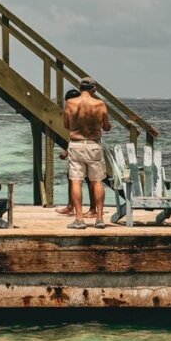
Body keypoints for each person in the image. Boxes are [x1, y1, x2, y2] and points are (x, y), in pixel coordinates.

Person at [62, 77, 111, 229]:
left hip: (76, 144)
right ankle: (100, 218)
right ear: (93, 89)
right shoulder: (100, 104)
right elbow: (107, 127)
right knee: (97, 181)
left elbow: (66, 125)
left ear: (80, 87)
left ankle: (79, 219)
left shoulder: (70, 103)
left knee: (76, 181)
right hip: (93, 144)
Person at [55, 89, 96, 218]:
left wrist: (67, 152)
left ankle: (92, 209)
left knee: (90, 180)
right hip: (86, 147)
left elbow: (81, 135)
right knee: (73, 177)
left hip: (87, 147)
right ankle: (71, 206)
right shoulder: (85, 110)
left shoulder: (79, 113)